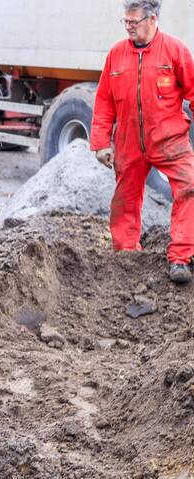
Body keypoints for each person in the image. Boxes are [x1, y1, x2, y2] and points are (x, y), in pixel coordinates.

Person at [92, 0, 194, 284]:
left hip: (169, 139)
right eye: (125, 21)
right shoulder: (116, 55)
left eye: (133, 22)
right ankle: (126, 256)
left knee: (190, 187)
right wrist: (101, 142)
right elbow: (104, 102)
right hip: (128, 142)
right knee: (125, 199)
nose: (128, 27)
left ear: (152, 19)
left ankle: (180, 258)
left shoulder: (175, 51)